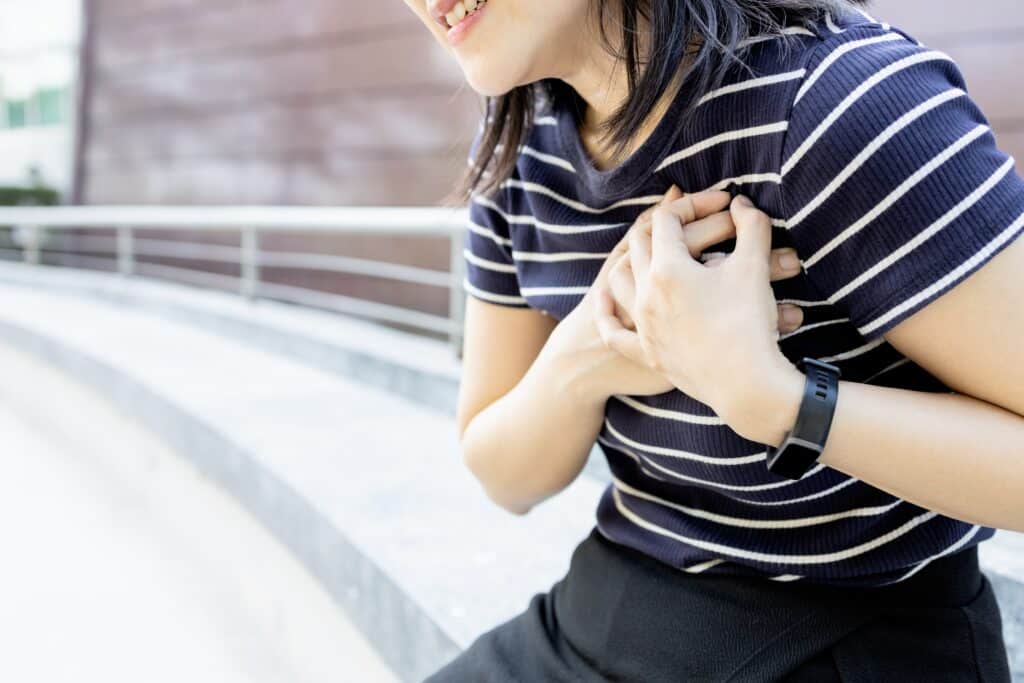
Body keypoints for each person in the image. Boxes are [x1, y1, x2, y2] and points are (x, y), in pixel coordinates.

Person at [402, 0, 1023, 680]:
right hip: (617, 597)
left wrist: (775, 401)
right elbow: (503, 478)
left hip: (852, 632)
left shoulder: (838, 102)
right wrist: (585, 356)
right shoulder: (519, 148)